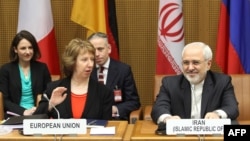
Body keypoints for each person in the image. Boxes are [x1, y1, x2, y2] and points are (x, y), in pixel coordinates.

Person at [151, 42, 239, 124]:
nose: (190, 68)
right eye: (186, 63)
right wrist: (167, 118)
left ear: (208, 64)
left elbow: (232, 108)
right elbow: (158, 108)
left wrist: (217, 114)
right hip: (181, 137)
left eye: (195, 62)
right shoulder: (169, 83)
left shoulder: (222, 82)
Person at [34, 38, 114, 119]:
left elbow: (106, 125)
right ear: (72, 62)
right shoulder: (54, 88)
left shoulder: (104, 92)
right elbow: (35, 120)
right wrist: (51, 104)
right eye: (84, 60)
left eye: (92, 59)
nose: (90, 64)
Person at [88, 32, 141, 120]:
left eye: (100, 49)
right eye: (93, 50)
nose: (96, 54)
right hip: (91, 119)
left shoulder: (123, 70)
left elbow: (134, 102)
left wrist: (115, 109)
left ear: (108, 48)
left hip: (115, 120)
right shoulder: (86, 70)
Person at [0, 30, 51, 118]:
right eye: (23, 48)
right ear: (15, 49)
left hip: (38, 115)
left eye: (30, 47)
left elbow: (48, 94)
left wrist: (37, 110)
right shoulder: (6, 70)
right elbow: (4, 100)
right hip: (15, 115)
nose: (28, 52)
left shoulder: (42, 68)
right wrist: (23, 111)